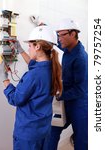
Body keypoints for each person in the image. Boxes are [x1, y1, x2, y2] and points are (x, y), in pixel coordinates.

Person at [0, 25, 62, 150]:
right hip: (43, 130)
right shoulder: (52, 68)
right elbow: (34, 65)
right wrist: (20, 50)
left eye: (30, 46)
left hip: (28, 135)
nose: (29, 48)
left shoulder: (33, 76)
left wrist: (4, 78)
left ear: (37, 46)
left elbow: (16, 99)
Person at [48, 18, 88, 150]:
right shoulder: (67, 47)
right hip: (65, 100)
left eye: (62, 35)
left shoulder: (81, 58)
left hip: (79, 105)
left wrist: (59, 95)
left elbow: (80, 90)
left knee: (81, 140)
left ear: (73, 34)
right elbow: (54, 44)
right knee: (52, 131)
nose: (59, 39)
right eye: (58, 34)